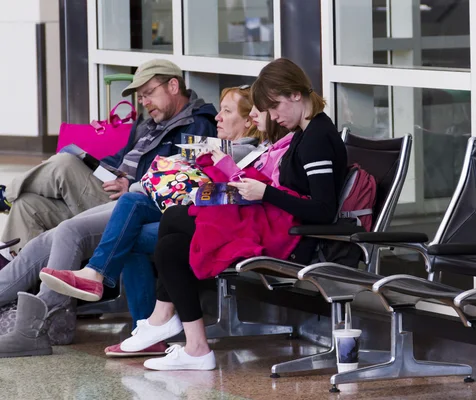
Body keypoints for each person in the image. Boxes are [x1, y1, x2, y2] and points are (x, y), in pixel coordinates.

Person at [53, 58, 347, 371]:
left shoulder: (316, 138)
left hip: (291, 239)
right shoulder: (305, 132)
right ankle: (195, 348)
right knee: (171, 244)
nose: (273, 116)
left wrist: (265, 193)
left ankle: (161, 319)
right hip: (274, 224)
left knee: (176, 218)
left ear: (296, 95)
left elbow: (324, 210)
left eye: (274, 107)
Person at [0, 86, 277, 359]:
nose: (218, 116)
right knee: (43, 214)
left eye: (227, 111)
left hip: (182, 214)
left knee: (73, 213)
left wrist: (142, 181)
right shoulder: (153, 127)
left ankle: (41, 325)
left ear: (250, 122)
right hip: (146, 201)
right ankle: (122, 313)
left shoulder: (229, 147)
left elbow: (220, 190)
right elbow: (133, 162)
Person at [0, 59, 218, 260]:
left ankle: (6, 194)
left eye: (149, 93)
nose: (144, 102)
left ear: (173, 86)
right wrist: (88, 163)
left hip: (130, 205)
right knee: (27, 204)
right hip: (110, 192)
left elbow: (186, 181)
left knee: (63, 165)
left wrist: (133, 185)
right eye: (141, 97)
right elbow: (119, 160)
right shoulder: (149, 125)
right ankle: (20, 283)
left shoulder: (197, 125)